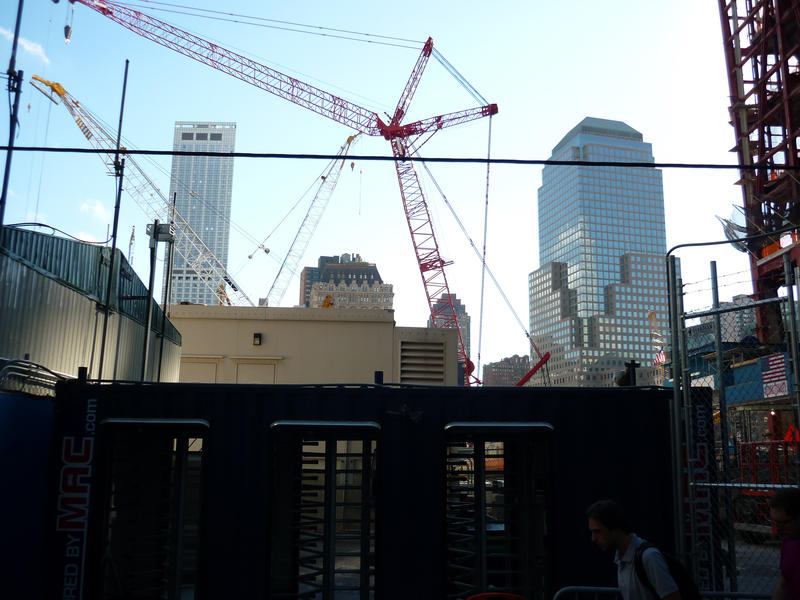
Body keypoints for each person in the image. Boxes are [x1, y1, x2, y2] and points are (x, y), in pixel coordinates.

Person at [587, 499, 681, 600]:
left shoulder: (649, 557)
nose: (593, 538)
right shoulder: (621, 558)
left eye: (597, 531)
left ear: (614, 527)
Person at [769, 488, 800, 600]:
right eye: (775, 523)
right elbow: (785, 584)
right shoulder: (789, 543)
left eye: (783, 523)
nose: (778, 530)